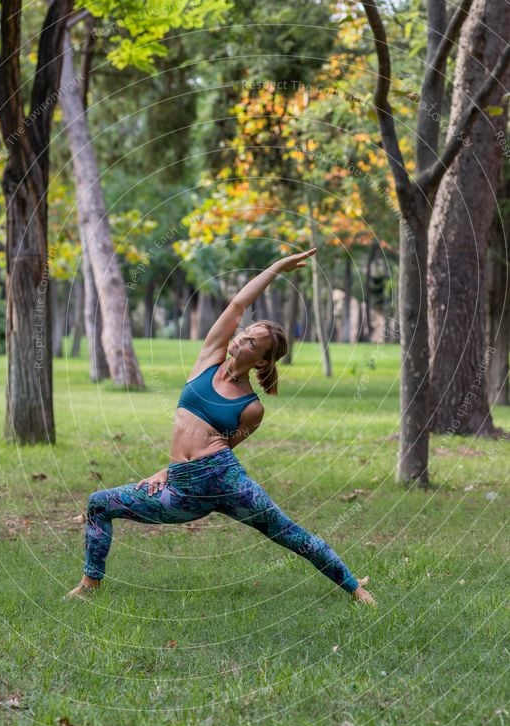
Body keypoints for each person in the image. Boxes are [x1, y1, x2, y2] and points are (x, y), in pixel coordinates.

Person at [67, 247, 376, 606]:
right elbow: (237, 305)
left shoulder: (251, 407)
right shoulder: (208, 360)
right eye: (246, 333)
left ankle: (355, 587)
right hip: (182, 490)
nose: (242, 338)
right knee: (99, 504)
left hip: (225, 480)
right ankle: (89, 585)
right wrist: (275, 267)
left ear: (261, 360)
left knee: (288, 533)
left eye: (252, 343)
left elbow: (225, 446)